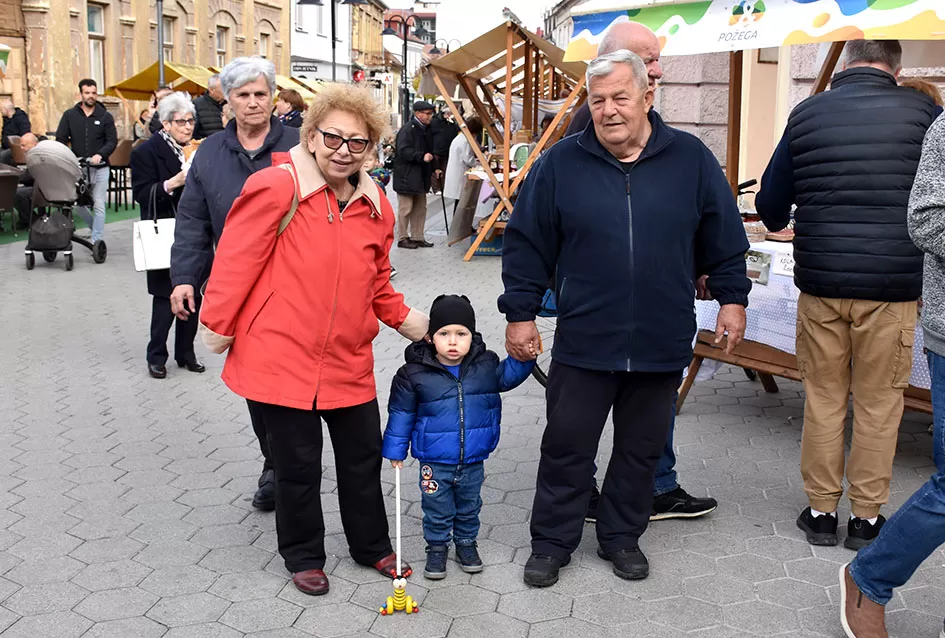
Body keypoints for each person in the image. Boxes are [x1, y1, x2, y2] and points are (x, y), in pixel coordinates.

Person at [499, 49, 750, 588]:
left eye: (620, 97)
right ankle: (551, 542)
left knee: (640, 451)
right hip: (586, 339)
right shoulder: (560, 163)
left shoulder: (691, 158)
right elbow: (526, 245)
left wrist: (732, 298)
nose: (609, 110)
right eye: (598, 100)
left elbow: (723, 235)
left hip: (661, 339)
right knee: (567, 446)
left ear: (647, 96)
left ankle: (621, 536)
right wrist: (519, 314)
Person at [198, 82, 429, 596]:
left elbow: (376, 282)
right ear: (310, 134)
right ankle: (303, 554)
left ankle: (371, 545)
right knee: (297, 465)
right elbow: (236, 260)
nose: (343, 151)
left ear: (372, 147)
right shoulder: (277, 187)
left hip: (348, 357)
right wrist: (217, 326)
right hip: (281, 355)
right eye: (333, 138)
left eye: (358, 142)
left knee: (362, 457)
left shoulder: (377, 206)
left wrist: (417, 323)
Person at [756, 39, 937, 551]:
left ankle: (819, 512)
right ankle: (866, 520)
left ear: (845, 64)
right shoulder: (925, 112)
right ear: (895, 68)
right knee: (881, 404)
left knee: (824, 398)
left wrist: (788, 219)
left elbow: (770, 202)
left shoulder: (808, 112)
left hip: (821, 285)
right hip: (893, 289)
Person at [567, 20, 719, 525]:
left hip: (654, 310)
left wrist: (695, 263)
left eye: (655, 60)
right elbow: (552, 227)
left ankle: (648, 487)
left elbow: (677, 208)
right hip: (598, 313)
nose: (658, 67)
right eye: (648, 58)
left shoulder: (665, 128)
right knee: (583, 416)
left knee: (648, 409)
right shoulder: (587, 129)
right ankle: (593, 493)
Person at [170, 57, 299, 513]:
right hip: (238, 289)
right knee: (256, 383)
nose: (252, 102)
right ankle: (276, 463)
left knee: (293, 379)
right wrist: (185, 278)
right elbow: (192, 221)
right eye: (242, 95)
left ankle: (291, 466)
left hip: (295, 285)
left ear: (273, 98)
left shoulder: (301, 147)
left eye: (260, 94)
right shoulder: (208, 154)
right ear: (228, 99)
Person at [837, 110, 945, 638]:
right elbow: (924, 218)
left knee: (836, 402)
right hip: (905, 299)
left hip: (839, 280)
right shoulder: (940, 126)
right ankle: (869, 566)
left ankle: (834, 521)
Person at [383, 294, 533, 579]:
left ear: (472, 336)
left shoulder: (485, 365)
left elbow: (508, 376)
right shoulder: (413, 374)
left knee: (469, 505)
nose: (453, 342)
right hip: (433, 460)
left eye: (461, 334)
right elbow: (401, 413)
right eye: (444, 334)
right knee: (436, 507)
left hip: (473, 458)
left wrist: (525, 357)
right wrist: (395, 449)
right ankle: (437, 547)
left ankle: (466, 543)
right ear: (430, 337)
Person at [131, 93, 204, 380]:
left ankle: (186, 353)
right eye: (181, 122)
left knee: (194, 294)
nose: (188, 127)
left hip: (194, 233)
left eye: (191, 121)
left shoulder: (197, 150)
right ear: (165, 124)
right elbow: (141, 194)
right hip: (164, 233)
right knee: (164, 299)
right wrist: (173, 183)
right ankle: (156, 356)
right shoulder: (145, 153)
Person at [55, 78, 117, 244]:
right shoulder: (70, 115)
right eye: (87, 93)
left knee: (98, 203)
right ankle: (94, 228)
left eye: (94, 93)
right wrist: (68, 155)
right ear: (80, 94)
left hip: (101, 167)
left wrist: (101, 155)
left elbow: (112, 141)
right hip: (78, 167)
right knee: (78, 204)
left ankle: (96, 240)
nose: (91, 96)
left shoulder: (105, 116)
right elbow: (60, 138)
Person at [393, 100, 435, 249]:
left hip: (420, 175)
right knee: (406, 208)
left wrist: (434, 167)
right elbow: (403, 150)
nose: (430, 117)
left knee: (420, 207)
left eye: (431, 113)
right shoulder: (408, 129)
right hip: (407, 174)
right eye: (427, 114)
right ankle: (403, 237)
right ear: (417, 113)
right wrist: (420, 156)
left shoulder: (426, 128)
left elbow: (431, 150)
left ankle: (418, 236)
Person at [443, 116, 484, 244]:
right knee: (462, 202)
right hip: (460, 174)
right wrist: (479, 165)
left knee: (460, 202)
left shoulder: (460, 138)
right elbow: (467, 158)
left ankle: (460, 228)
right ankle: (458, 229)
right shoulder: (465, 140)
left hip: (456, 173)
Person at [3, 132, 39, 228]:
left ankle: (30, 220)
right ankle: (30, 218)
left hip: (44, 187)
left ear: (34, 144)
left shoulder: (37, 156)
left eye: (24, 145)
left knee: (16, 193)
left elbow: (31, 176)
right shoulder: (35, 154)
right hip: (40, 184)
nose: (21, 148)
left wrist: (15, 177)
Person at [430, 108, 459, 193]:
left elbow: (455, 131)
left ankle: (443, 187)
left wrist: (454, 122)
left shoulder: (451, 123)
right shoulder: (436, 121)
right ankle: (436, 188)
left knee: (445, 169)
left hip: (446, 149)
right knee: (436, 169)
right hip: (437, 148)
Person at [192, 74, 226, 139]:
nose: (226, 90)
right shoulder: (197, 105)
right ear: (211, 90)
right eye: (223, 88)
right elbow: (193, 132)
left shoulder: (230, 104)